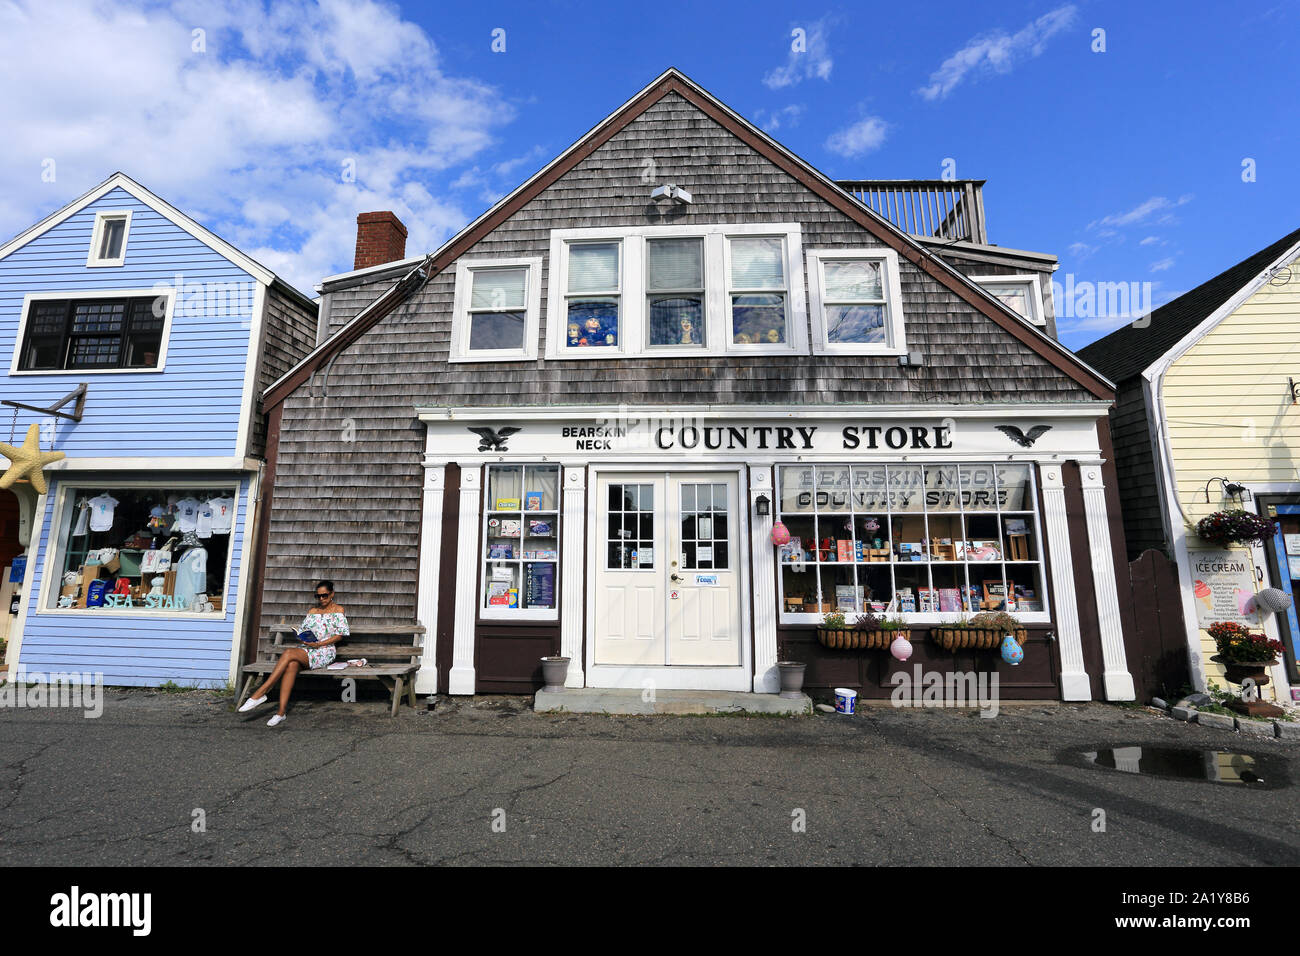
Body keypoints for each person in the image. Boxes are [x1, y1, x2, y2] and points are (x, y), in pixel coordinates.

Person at [238, 580, 349, 726]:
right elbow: (304, 630)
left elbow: (340, 635)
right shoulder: (312, 612)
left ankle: (262, 691)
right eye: (318, 596)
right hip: (308, 649)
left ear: (332, 594)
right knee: (291, 665)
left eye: (325, 595)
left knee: (289, 653)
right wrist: (303, 637)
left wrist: (319, 644)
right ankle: (280, 713)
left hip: (324, 651)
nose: (321, 599)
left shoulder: (338, 610)